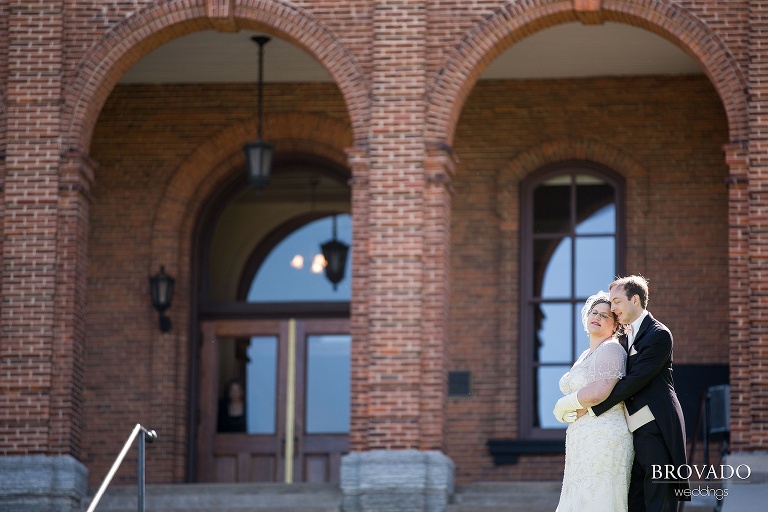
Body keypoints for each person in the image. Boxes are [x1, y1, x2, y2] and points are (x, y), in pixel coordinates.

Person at [557, 275, 690, 511]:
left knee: (659, 501)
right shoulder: (624, 337)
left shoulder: (658, 334)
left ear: (635, 300)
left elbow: (634, 381)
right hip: (629, 431)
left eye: (617, 302)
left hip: (656, 427)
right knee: (635, 502)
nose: (613, 308)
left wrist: (587, 408)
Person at [552, 291, 633, 512]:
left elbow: (601, 390)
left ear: (616, 324)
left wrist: (564, 404)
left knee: (598, 500)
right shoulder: (586, 354)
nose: (597, 316)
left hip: (604, 436)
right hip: (582, 440)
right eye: (594, 312)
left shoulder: (612, 348)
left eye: (605, 315)